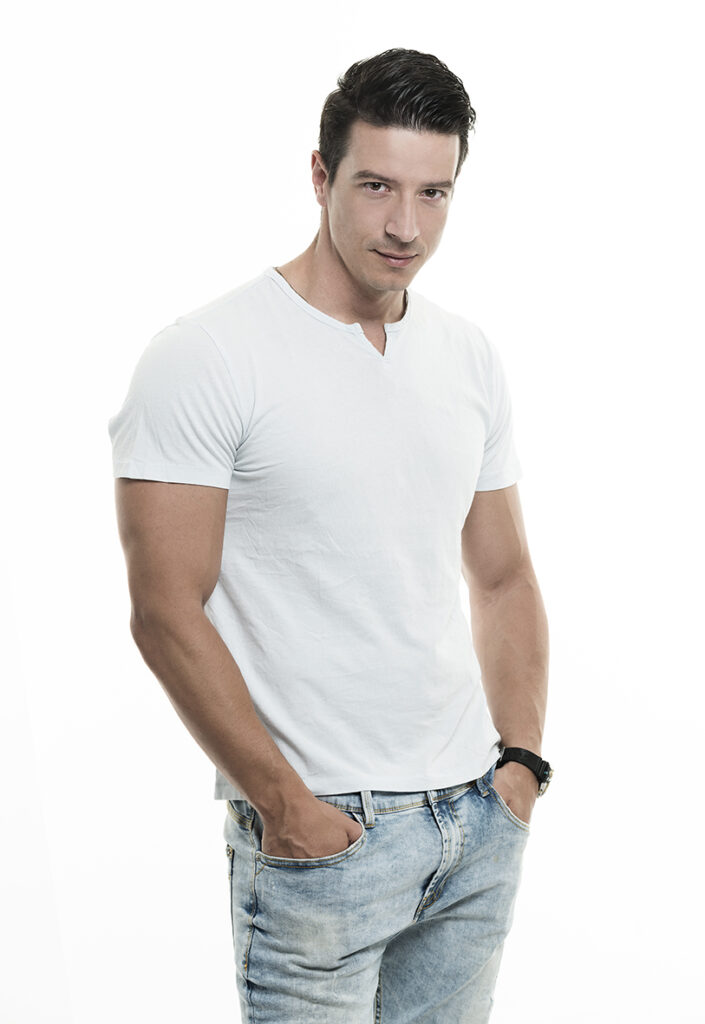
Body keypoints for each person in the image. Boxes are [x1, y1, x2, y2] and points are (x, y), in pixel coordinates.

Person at [108, 47, 551, 1024]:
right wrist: (286, 807)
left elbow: (504, 574)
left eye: (434, 193)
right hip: (322, 836)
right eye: (376, 186)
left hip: (473, 817)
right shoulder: (208, 355)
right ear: (320, 174)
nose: (405, 226)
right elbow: (164, 609)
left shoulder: (466, 354)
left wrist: (519, 766)